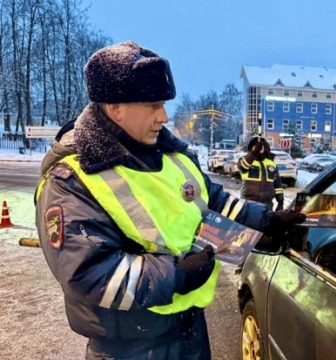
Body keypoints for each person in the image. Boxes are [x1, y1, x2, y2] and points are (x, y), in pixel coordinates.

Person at [34, 41, 304, 360]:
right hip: (129, 347)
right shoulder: (72, 178)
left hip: (189, 330)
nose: (163, 116)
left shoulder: (174, 157)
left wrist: (266, 220)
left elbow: (213, 202)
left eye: (164, 104)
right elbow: (89, 274)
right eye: (153, 105)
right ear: (114, 106)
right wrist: (178, 274)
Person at [238, 137, 285, 211]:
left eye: (261, 145)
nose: (259, 148)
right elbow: (243, 167)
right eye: (257, 146)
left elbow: (277, 185)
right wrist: (253, 152)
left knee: (265, 222)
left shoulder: (271, 163)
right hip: (249, 203)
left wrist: (280, 202)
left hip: (267, 204)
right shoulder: (245, 160)